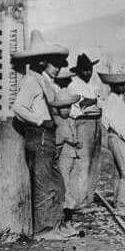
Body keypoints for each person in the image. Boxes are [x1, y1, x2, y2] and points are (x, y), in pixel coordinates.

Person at [11, 30, 76, 240]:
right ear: (40, 62)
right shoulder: (32, 81)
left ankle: (54, 225)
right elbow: (18, 107)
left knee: (55, 182)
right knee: (44, 184)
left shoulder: (42, 81)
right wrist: (39, 120)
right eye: (52, 63)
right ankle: (43, 230)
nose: (56, 68)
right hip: (39, 135)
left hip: (47, 135)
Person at [67, 53, 103, 213]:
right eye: (85, 70)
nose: (88, 73)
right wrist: (93, 102)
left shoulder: (93, 85)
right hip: (82, 123)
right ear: (79, 71)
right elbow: (79, 105)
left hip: (96, 122)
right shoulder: (73, 85)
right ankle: (78, 202)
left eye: (90, 70)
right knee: (83, 163)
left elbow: (100, 103)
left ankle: (88, 199)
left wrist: (95, 102)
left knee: (94, 162)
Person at [99, 72, 125, 216]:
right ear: (114, 86)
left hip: (121, 137)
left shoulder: (119, 100)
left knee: (120, 172)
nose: (124, 87)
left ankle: (117, 202)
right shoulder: (111, 100)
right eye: (121, 85)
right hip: (117, 137)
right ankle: (120, 206)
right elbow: (109, 122)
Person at [52, 90, 81, 222]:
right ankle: (66, 209)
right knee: (64, 182)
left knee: (69, 181)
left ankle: (68, 208)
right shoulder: (58, 121)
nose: (66, 110)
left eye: (68, 107)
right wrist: (75, 141)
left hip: (71, 155)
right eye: (63, 107)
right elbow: (66, 136)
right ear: (57, 109)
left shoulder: (70, 120)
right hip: (63, 155)